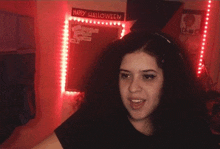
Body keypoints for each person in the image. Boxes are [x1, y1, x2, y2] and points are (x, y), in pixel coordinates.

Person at [33, 32, 218, 149]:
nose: (132, 87)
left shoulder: (191, 132)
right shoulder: (94, 121)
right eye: (125, 75)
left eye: (148, 76)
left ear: (170, 82)